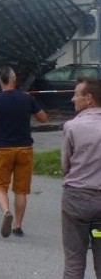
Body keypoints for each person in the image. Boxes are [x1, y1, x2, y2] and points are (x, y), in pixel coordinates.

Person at [0, 65, 48, 238]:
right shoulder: (27, 98)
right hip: (25, 148)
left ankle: (6, 212)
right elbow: (43, 118)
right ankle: (18, 226)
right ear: (14, 80)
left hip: (3, 148)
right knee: (21, 190)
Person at [61, 77, 101, 279]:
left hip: (77, 201)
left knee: (74, 262)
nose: (73, 99)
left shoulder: (72, 127)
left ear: (89, 98)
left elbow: (65, 166)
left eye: (77, 94)